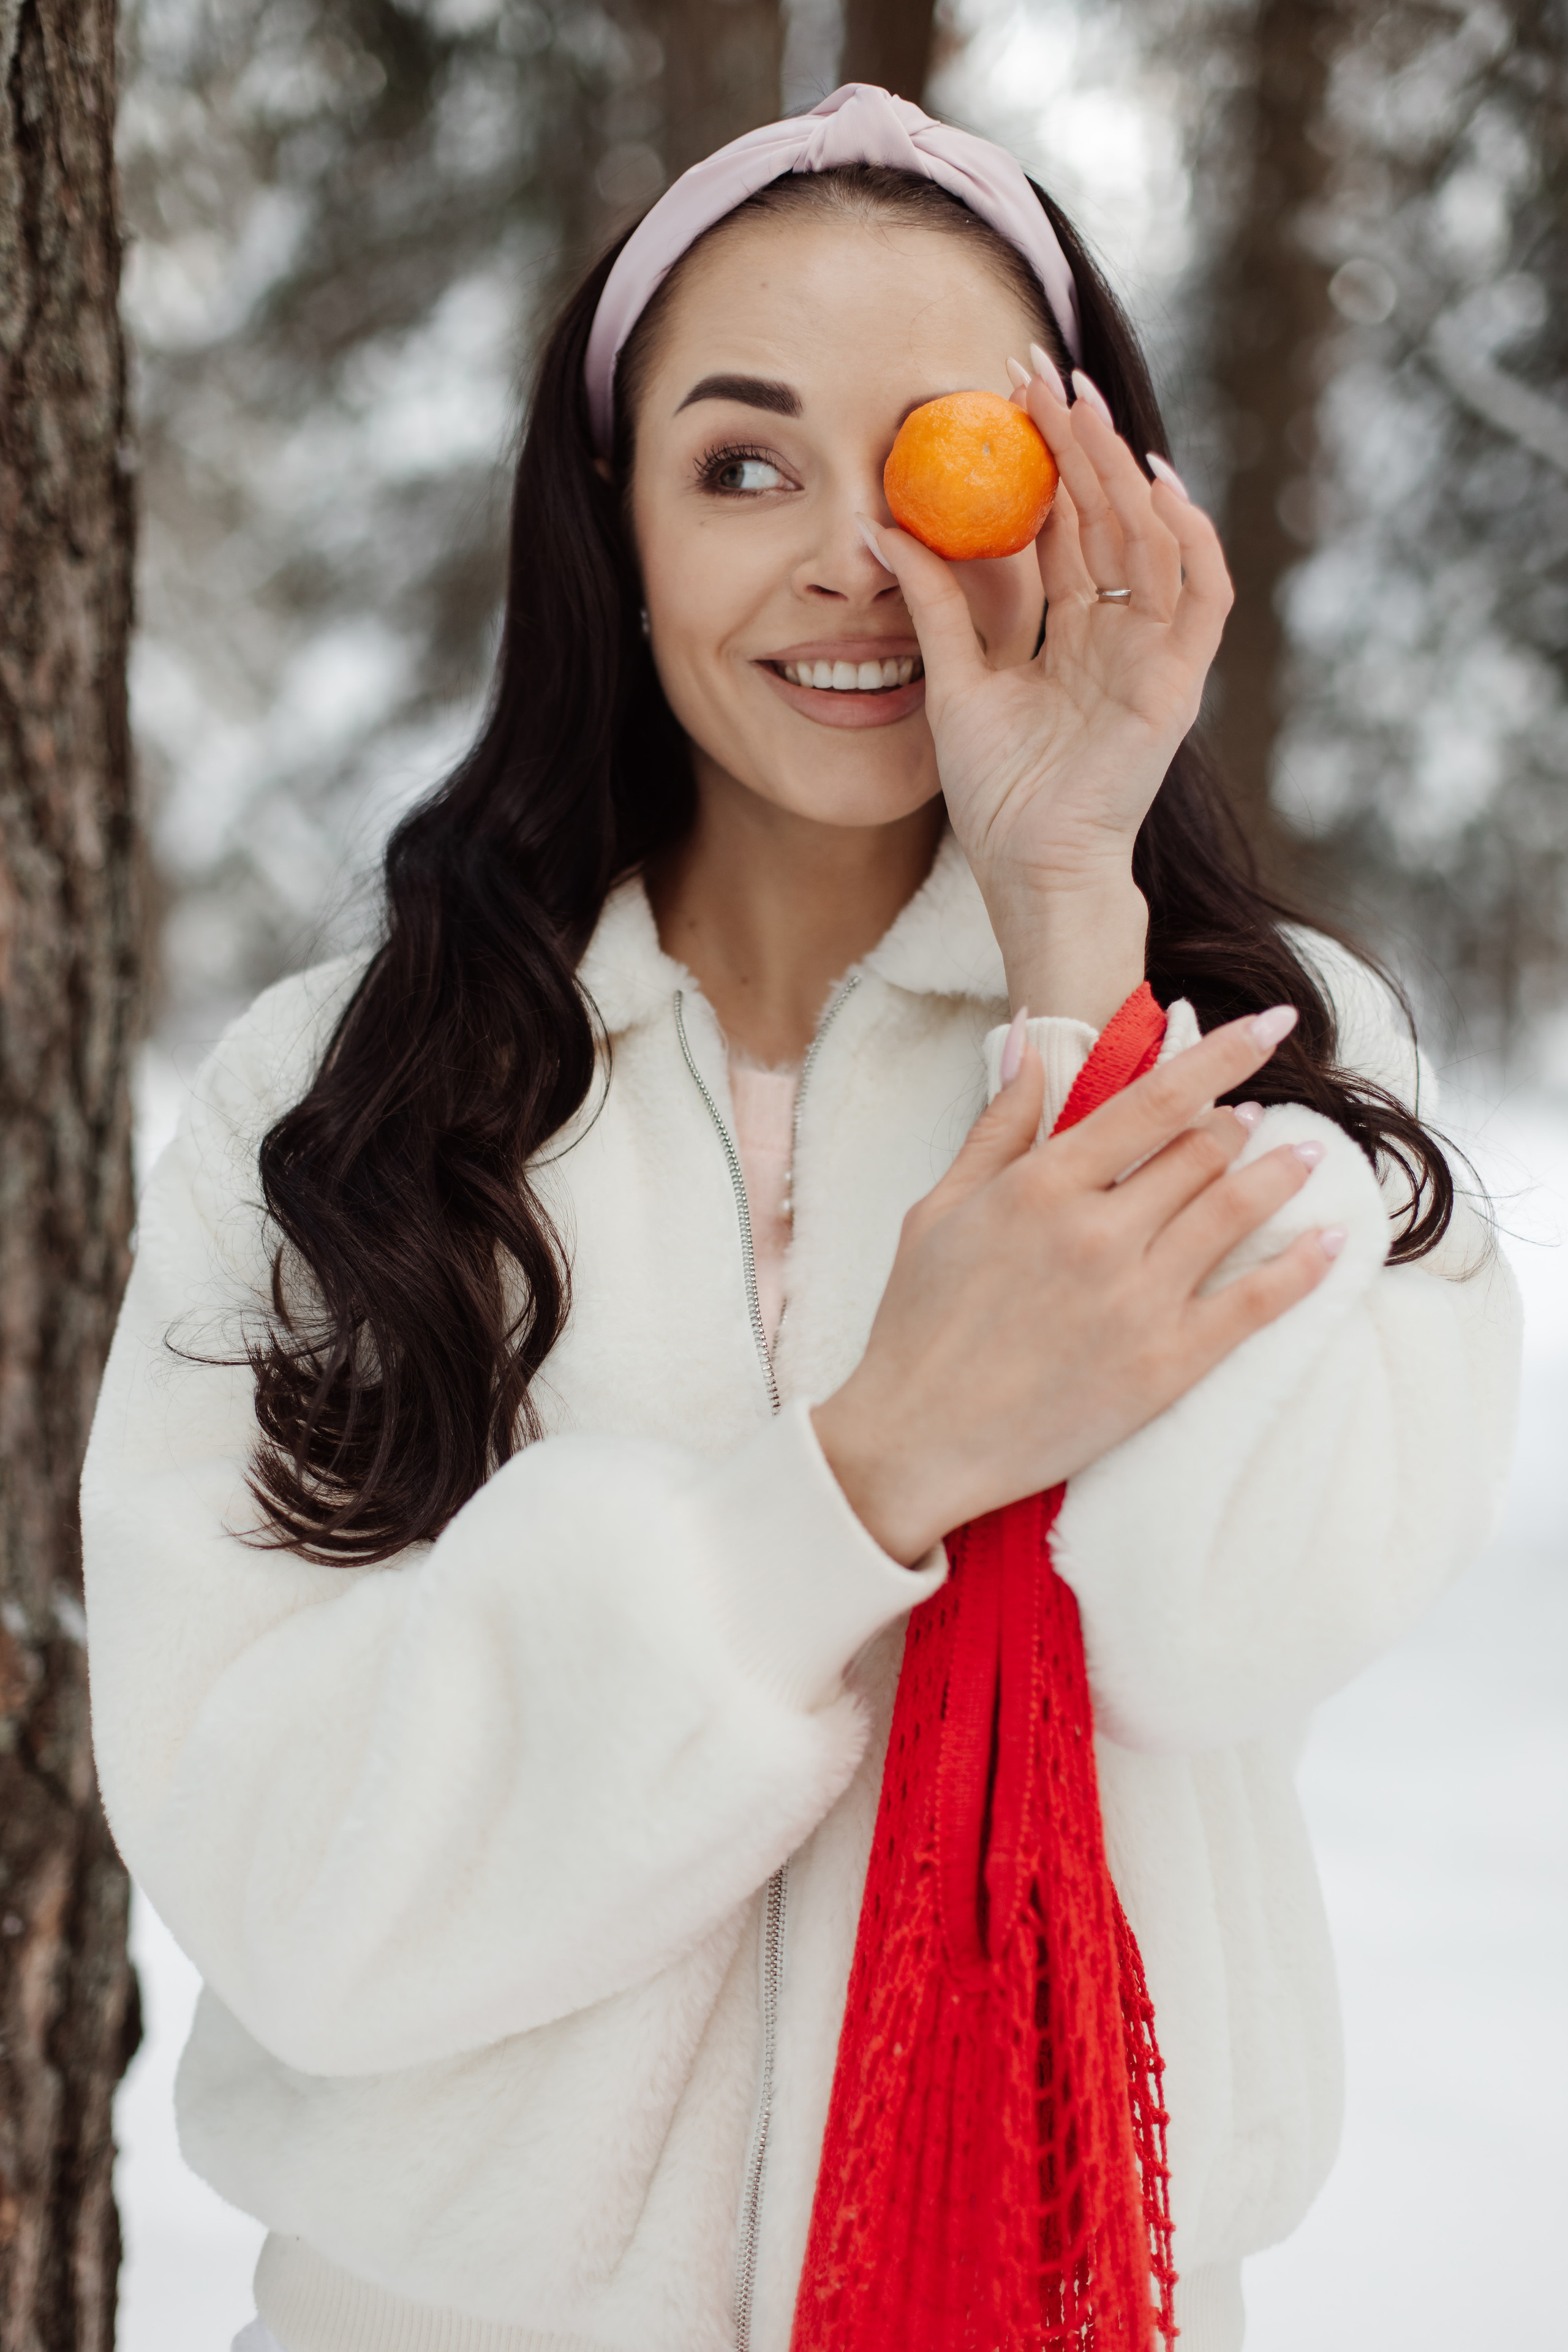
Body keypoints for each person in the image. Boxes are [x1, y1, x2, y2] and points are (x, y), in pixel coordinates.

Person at [83, 83, 1520, 2352]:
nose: (858, 556)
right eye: (743, 464)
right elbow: (290, 1877)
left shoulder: (1278, 1049)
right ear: (615, 529)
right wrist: (860, 1479)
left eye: (953, 456)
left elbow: (1233, 1622)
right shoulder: (342, 1106)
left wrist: (1069, 924)